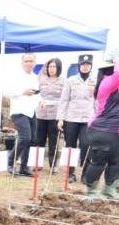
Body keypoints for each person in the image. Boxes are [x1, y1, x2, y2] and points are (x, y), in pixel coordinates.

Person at [84, 53, 119, 199]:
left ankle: (109, 189)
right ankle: (91, 192)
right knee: (99, 162)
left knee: (116, 161)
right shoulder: (107, 82)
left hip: (115, 130)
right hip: (102, 130)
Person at [58, 54, 96, 183]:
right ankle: (70, 173)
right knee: (70, 146)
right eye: (83, 65)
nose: (85, 67)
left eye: (88, 65)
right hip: (71, 117)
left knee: (86, 145)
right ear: (79, 66)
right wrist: (61, 118)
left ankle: (85, 174)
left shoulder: (96, 80)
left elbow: (98, 101)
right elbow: (64, 100)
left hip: (88, 118)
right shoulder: (71, 80)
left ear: (91, 66)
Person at [6, 53, 40, 177]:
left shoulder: (36, 77)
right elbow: (7, 91)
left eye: (31, 61)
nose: (29, 63)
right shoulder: (15, 76)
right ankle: (9, 162)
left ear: (34, 63)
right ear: (22, 63)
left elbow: (37, 93)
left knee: (32, 140)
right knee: (25, 137)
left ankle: (24, 168)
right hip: (19, 111)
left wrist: (41, 101)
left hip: (31, 111)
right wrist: (22, 92)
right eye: (26, 61)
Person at [35, 57, 65, 173]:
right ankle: (37, 163)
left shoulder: (63, 82)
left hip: (55, 115)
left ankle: (53, 164)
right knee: (39, 140)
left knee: (53, 141)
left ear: (58, 68)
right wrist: (40, 100)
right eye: (50, 67)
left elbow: (65, 99)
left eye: (54, 67)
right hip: (41, 114)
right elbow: (36, 94)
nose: (52, 69)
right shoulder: (41, 80)